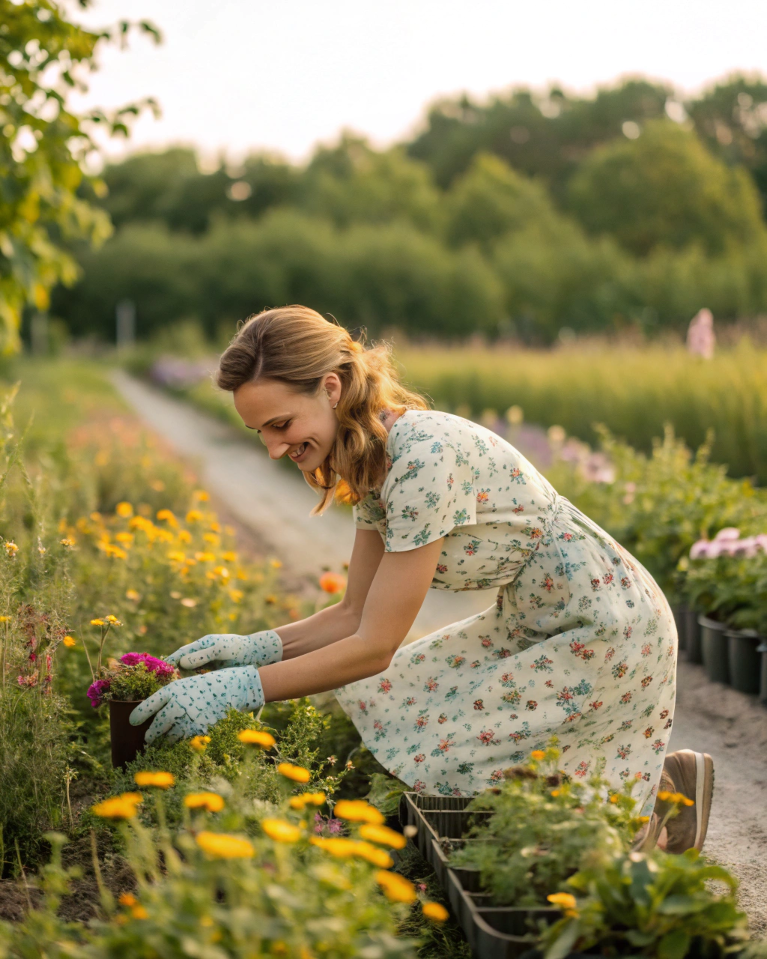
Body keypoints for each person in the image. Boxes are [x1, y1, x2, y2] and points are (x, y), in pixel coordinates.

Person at [130, 305, 713, 853]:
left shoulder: (424, 457)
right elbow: (352, 613)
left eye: (281, 423)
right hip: (535, 620)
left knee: (466, 768)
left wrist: (244, 689)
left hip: (605, 625)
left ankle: (651, 821)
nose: (274, 447)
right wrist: (253, 650)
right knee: (393, 702)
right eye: (261, 431)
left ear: (331, 388)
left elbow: (374, 645)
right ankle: (663, 786)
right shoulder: (372, 460)